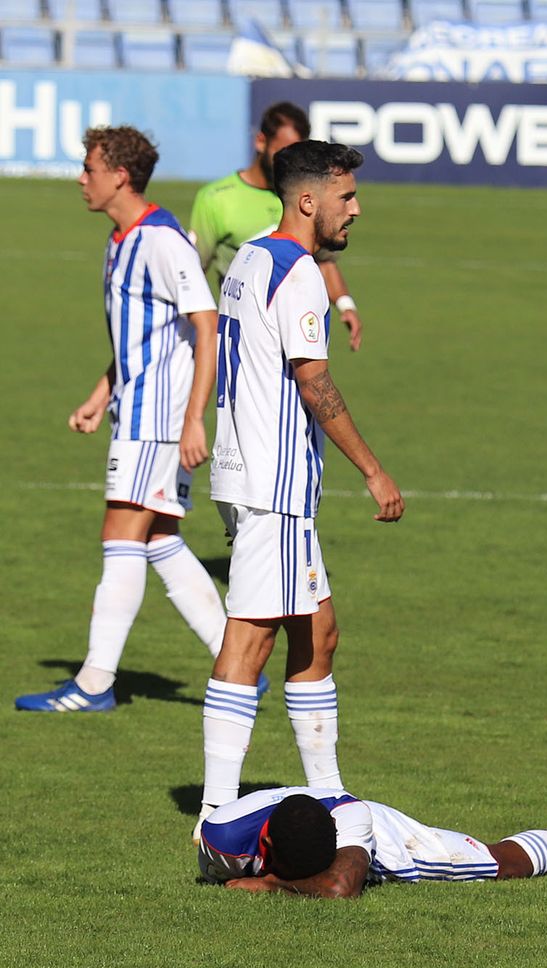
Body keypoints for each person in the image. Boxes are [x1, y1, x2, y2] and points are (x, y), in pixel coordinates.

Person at [195, 140, 405, 840]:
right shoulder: (300, 273)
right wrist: (372, 469)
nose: (356, 209)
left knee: (319, 632)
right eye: (347, 196)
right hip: (273, 483)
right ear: (308, 200)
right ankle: (214, 812)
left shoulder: (251, 256)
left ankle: (329, 794)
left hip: (246, 472)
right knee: (250, 639)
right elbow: (313, 381)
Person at [15, 127, 231, 714]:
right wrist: (99, 394)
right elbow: (141, 337)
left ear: (120, 176)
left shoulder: (162, 241)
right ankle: (237, 662)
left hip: (156, 417)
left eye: (89, 168)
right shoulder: (120, 240)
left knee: (120, 537)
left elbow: (206, 326)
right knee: (158, 537)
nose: (81, 179)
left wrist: (193, 420)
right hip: (137, 409)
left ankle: (93, 684)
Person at [198, 786, 547, 898]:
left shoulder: (349, 819)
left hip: (379, 838)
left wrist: (274, 887)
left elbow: (339, 888)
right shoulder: (219, 841)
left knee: (500, 863)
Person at [189, 102, 364, 351]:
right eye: (283, 151)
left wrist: (346, 305)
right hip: (247, 339)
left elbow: (324, 260)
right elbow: (193, 272)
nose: (290, 161)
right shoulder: (216, 199)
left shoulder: (302, 197)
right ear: (261, 141)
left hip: (295, 328)